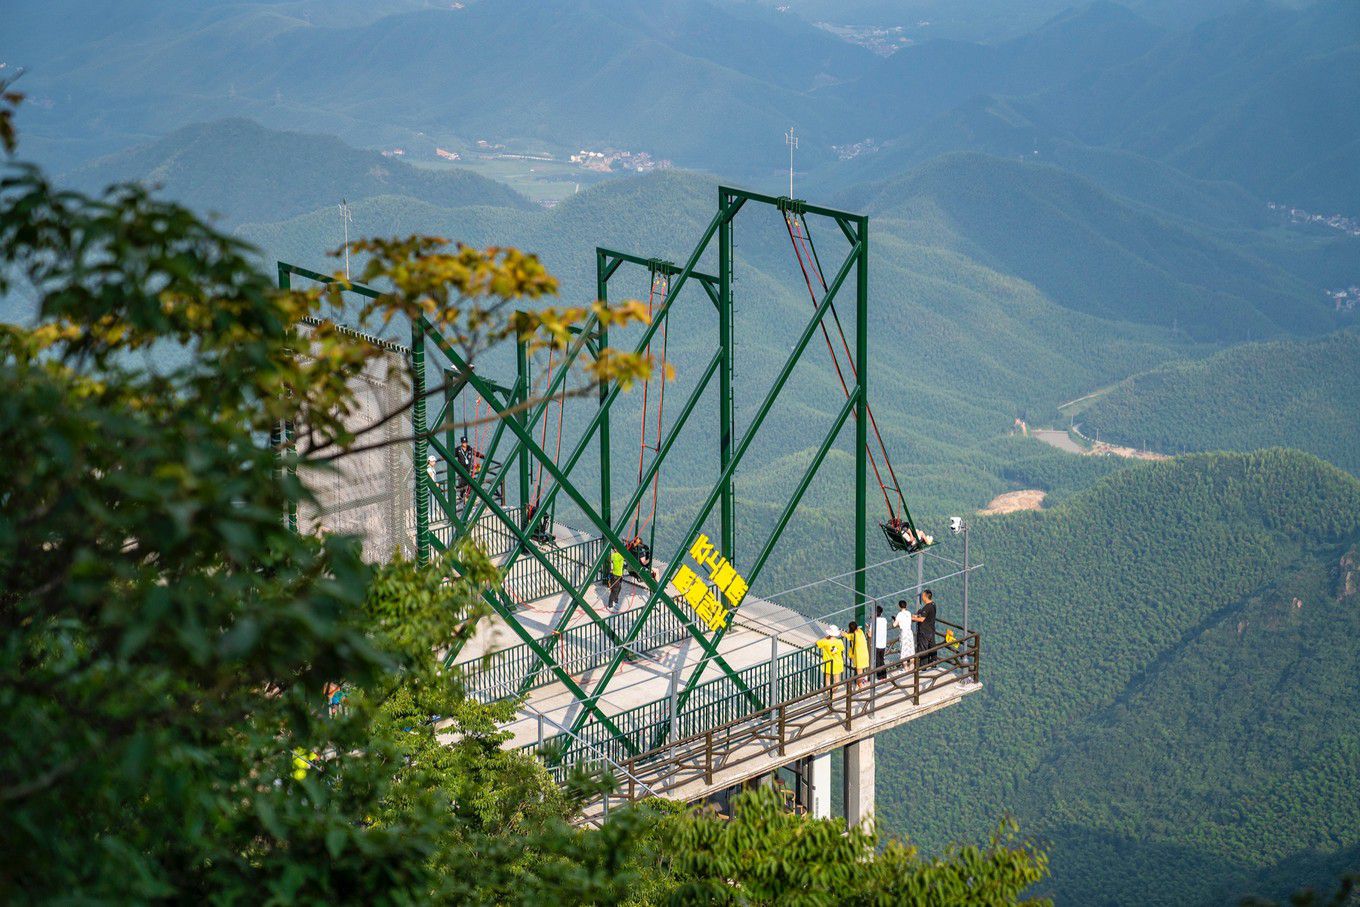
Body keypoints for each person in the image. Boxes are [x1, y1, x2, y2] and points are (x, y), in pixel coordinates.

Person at [815, 625, 846, 702]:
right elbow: (842, 649)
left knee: (827, 677)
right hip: (838, 662)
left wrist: (825, 638)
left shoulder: (825, 641)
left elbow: (817, 643)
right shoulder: (839, 641)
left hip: (828, 662)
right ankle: (834, 692)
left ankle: (829, 692)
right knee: (837, 679)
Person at [912, 588, 938, 667]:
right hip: (931, 629)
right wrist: (916, 616)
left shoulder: (927, 607)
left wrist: (911, 618)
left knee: (923, 648)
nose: (922, 597)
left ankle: (923, 666)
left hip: (924, 631)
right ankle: (933, 663)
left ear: (925, 596)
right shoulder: (933, 604)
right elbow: (924, 616)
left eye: (922, 595)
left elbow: (921, 619)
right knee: (932, 646)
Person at [844, 621, 870, 690]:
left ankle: (860, 685)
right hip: (865, 653)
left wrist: (847, 631)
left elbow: (845, 634)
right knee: (863, 669)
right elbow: (857, 628)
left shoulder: (852, 635)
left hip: (859, 656)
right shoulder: (860, 632)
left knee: (859, 671)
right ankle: (863, 681)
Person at [454, 436, 479, 503]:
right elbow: (451, 454)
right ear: (461, 443)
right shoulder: (458, 450)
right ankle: (462, 497)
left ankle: (468, 496)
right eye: (463, 442)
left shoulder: (470, 449)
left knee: (469, 483)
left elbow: (476, 453)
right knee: (462, 483)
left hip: (468, 470)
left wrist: (483, 456)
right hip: (461, 470)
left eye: (465, 442)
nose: (464, 444)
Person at [894, 599, 915, 666]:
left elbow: (894, 625)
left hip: (904, 633)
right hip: (910, 632)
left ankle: (906, 668)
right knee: (911, 649)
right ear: (906, 606)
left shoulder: (899, 614)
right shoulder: (909, 613)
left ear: (899, 607)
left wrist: (895, 621)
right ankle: (912, 666)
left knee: (904, 650)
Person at [606, 545, 625, 612]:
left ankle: (615, 601)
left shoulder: (614, 555)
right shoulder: (618, 555)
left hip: (618, 575)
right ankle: (610, 605)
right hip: (616, 575)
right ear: (615, 549)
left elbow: (609, 559)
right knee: (615, 590)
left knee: (619, 588)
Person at [873, 604, 889, 679]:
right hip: (883, 643)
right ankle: (884, 675)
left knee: (877, 661)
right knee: (882, 659)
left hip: (876, 643)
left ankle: (879, 676)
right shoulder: (884, 620)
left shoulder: (874, 622)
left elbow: (870, 634)